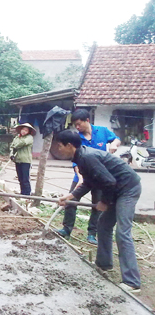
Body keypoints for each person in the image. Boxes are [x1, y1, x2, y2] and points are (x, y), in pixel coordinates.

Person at [56, 130, 141, 293]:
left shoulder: (87, 157)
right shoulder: (81, 158)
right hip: (117, 188)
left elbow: (109, 182)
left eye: (60, 146)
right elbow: (89, 182)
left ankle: (132, 282)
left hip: (128, 188)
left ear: (69, 145)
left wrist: (104, 202)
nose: (58, 149)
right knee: (103, 225)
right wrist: (71, 196)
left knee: (122, 232)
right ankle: (103, 264)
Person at [56, 109, 121, 245]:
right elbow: (76, 160)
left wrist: (115, 144)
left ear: (87, 120)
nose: (78, 127)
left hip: (100, 176)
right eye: (75, 125)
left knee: (98, 204)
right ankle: (67, 229)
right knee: (71, 200)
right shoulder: (76, 138)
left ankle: (92, 234)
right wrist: (80, 177)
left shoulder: (102, 131)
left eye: (79, 124)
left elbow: (116, 139)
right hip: (81, 175)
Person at [9, 123, 35, 196]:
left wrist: (15, 146)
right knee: (20, 178)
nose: (24, 131)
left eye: (26, 130)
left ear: (29, 132)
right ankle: (22, 193)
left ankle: (27, 194)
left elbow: (22, 143)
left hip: (25, 161)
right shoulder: (17, 137)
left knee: (25, 179)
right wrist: (11, 155)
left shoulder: (29, 137)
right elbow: (12, 147)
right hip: (17, 160)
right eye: (23, 129)